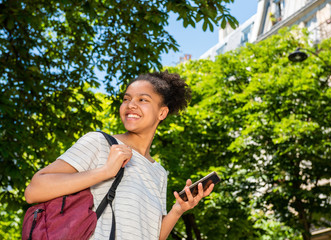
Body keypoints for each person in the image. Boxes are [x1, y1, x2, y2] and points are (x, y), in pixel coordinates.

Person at [24, 70, 214, 240]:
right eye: (126, 99)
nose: (131, 105)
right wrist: (105, 171)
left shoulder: (159, 172)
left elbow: (151, 235)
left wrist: (178, 210)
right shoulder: (100, 142)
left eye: (143, 100)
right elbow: (34, 190)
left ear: (162, 113)